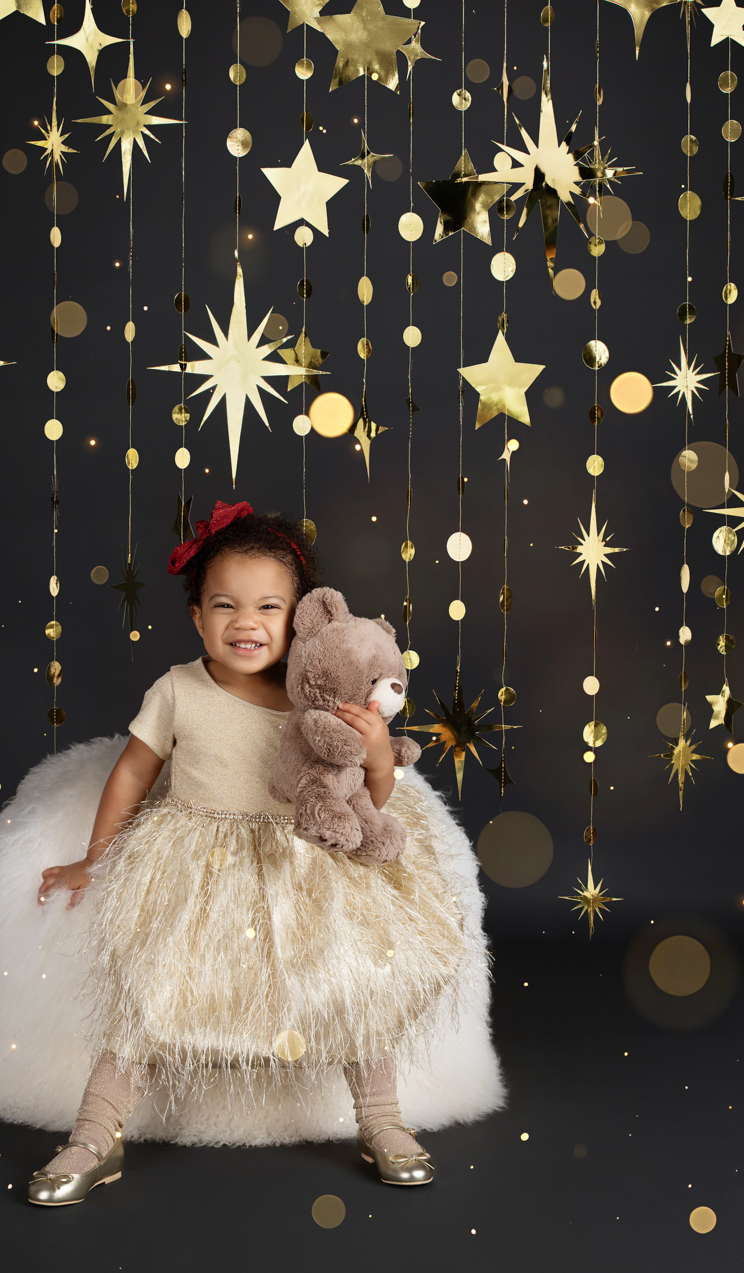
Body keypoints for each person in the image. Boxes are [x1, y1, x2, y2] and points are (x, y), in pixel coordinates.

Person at [27, 500, 472, 1206]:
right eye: (224, 605)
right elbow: (135, 772)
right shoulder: (179, 689)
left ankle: (382, 1120)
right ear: (197, 616)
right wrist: (96, 856)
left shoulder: (318, 700)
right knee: (150, 987)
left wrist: (380, 749)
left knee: (358, 981)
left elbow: (371, 794)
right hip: (201, 862)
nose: (246, 622)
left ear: (300, 622)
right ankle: (95, 1132)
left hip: (306, 861)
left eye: (268, 606)